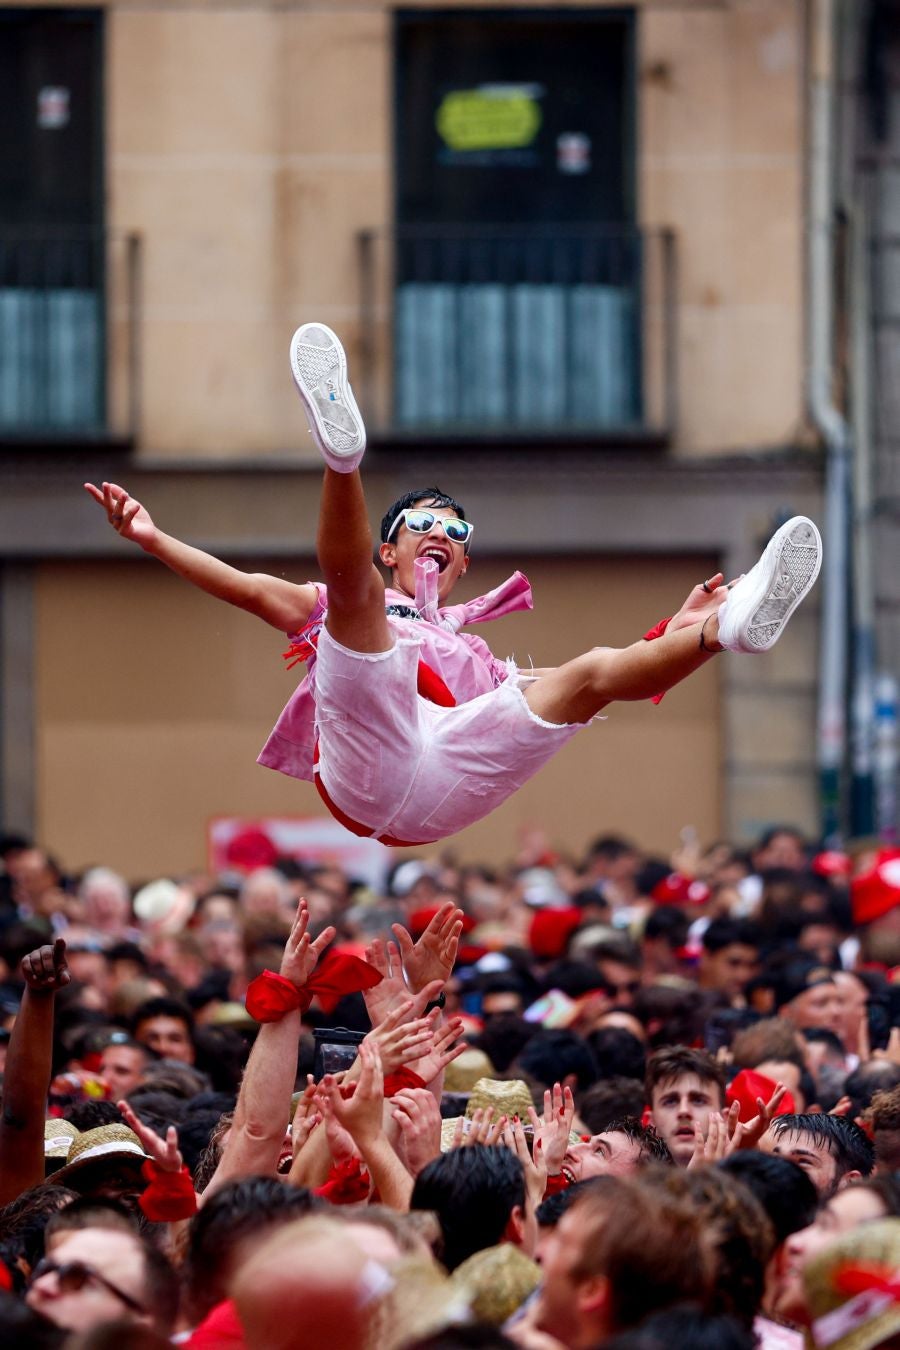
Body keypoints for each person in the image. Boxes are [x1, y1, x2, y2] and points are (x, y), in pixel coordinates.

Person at [84, 323, 823, 847]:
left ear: (465, 563)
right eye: (419, 523)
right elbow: (245, 586)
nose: (440, 535)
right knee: (354, 605)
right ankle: (342, 457)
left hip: (448, 778)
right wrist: (152, 538)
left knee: (589, 671)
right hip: (365, 775)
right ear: (389, 547)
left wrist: (677, 625)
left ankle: (728, 631)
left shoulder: (480, 661)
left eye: (456, 532)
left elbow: (608, 679)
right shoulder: (353, 603)